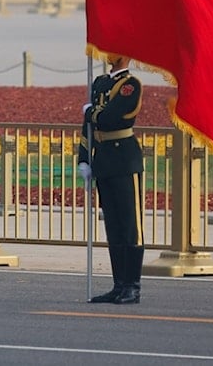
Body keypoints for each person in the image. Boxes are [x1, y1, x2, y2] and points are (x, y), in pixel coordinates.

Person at [78, 53, 144, 304]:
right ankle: (118, 286)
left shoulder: (130, 85)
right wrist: (84, 158)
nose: (109, 53)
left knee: (130, 227)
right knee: (114, 227)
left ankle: (132, 287)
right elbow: (89, 128)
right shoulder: (100, 83)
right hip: (104, 160)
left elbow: (111, 117)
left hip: (124, 160)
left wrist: (90, 112)